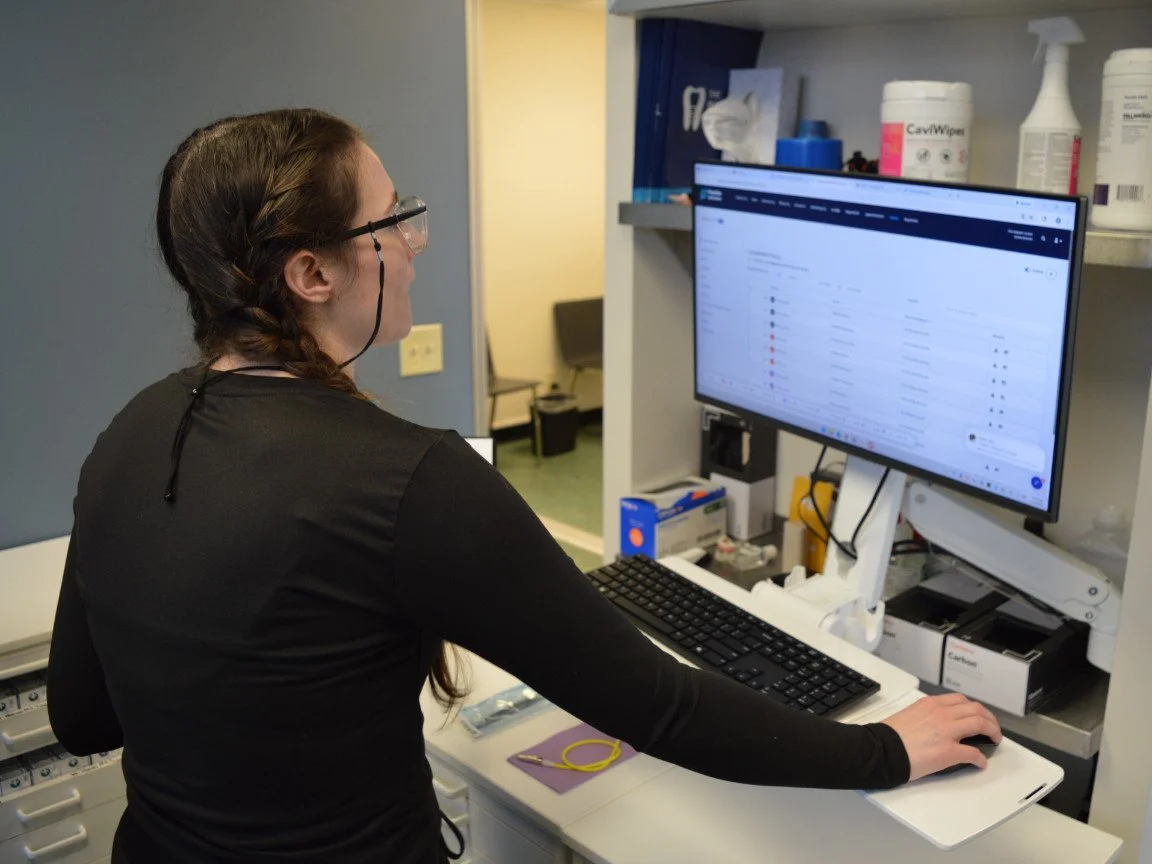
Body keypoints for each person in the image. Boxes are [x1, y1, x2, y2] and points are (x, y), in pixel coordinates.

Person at [46, 108, 1000, 864]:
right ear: (310, 272)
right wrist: (885, 750)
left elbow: (82, 718)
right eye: (392, 224)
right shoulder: (405, 478)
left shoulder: (126, 438)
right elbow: (659, 707)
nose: (414, 244)